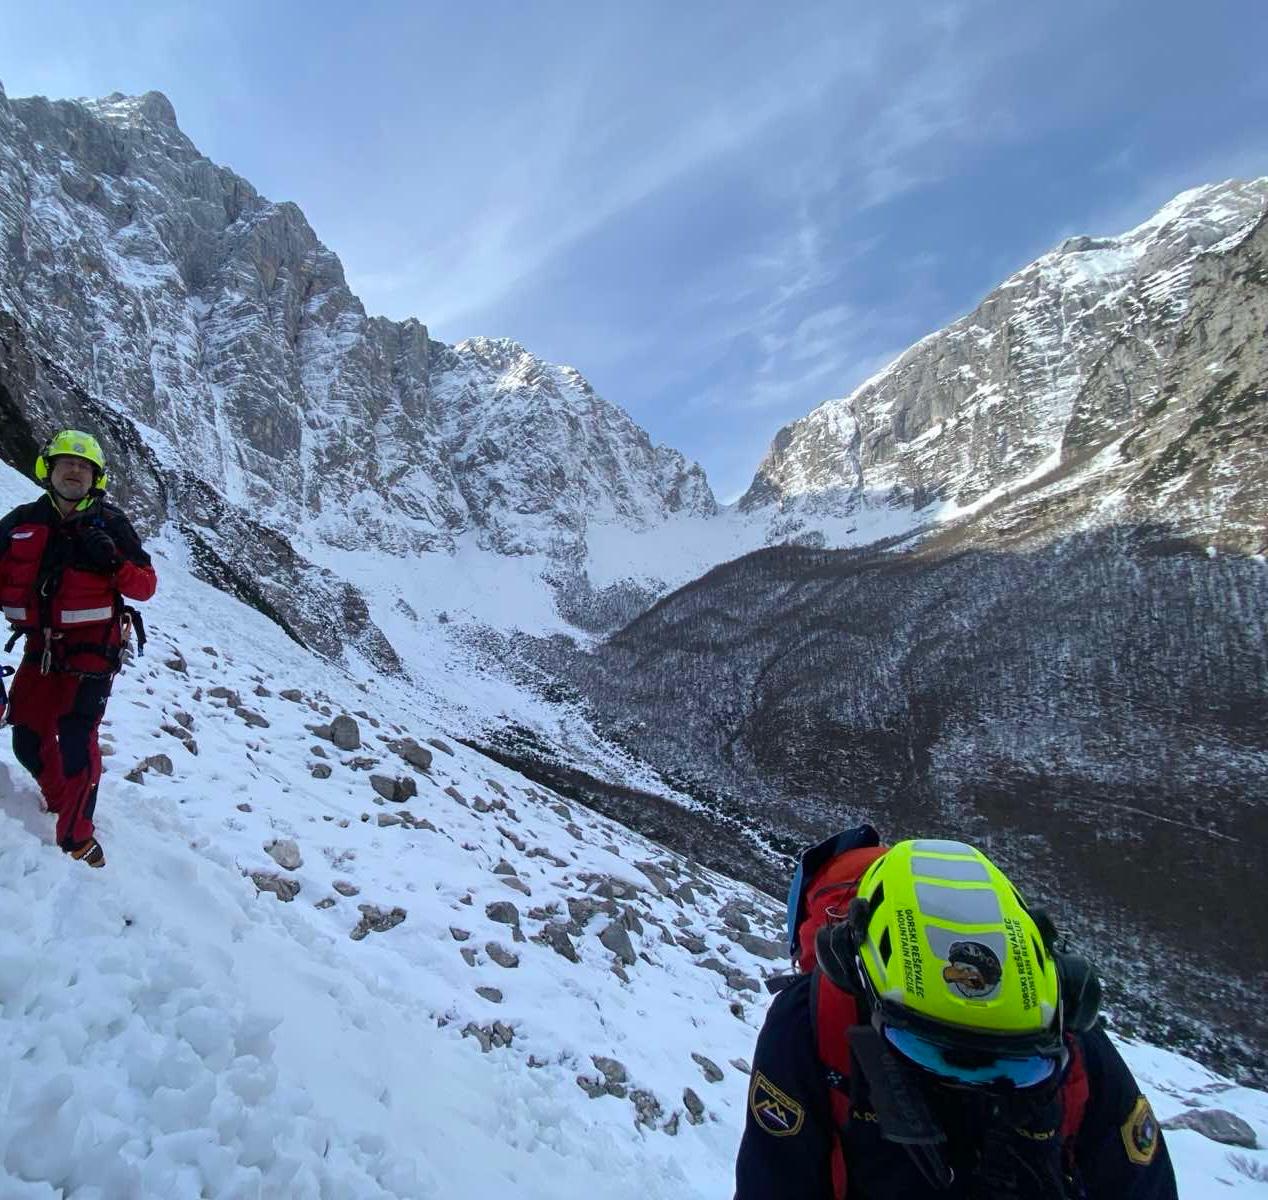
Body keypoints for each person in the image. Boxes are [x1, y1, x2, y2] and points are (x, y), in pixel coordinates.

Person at [734, 829, 1177, 1199]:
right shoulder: (814, 1025)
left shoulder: (1068, 1040)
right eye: (925, 1049)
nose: (971, 1076)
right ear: (867, 993)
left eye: (1018, 1065)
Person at [0, 430, 157, 867]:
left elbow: (145, 586)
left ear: (96, 479)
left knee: (75, 738)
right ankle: (57, 799)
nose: (75, 470)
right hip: (41, 649)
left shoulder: (111, 525)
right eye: (67, 462)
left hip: (92, 654)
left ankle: (77, 839)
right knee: (27, 740)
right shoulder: (20, 523)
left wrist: (114, 561)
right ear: (47, 470)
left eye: (84, 466)